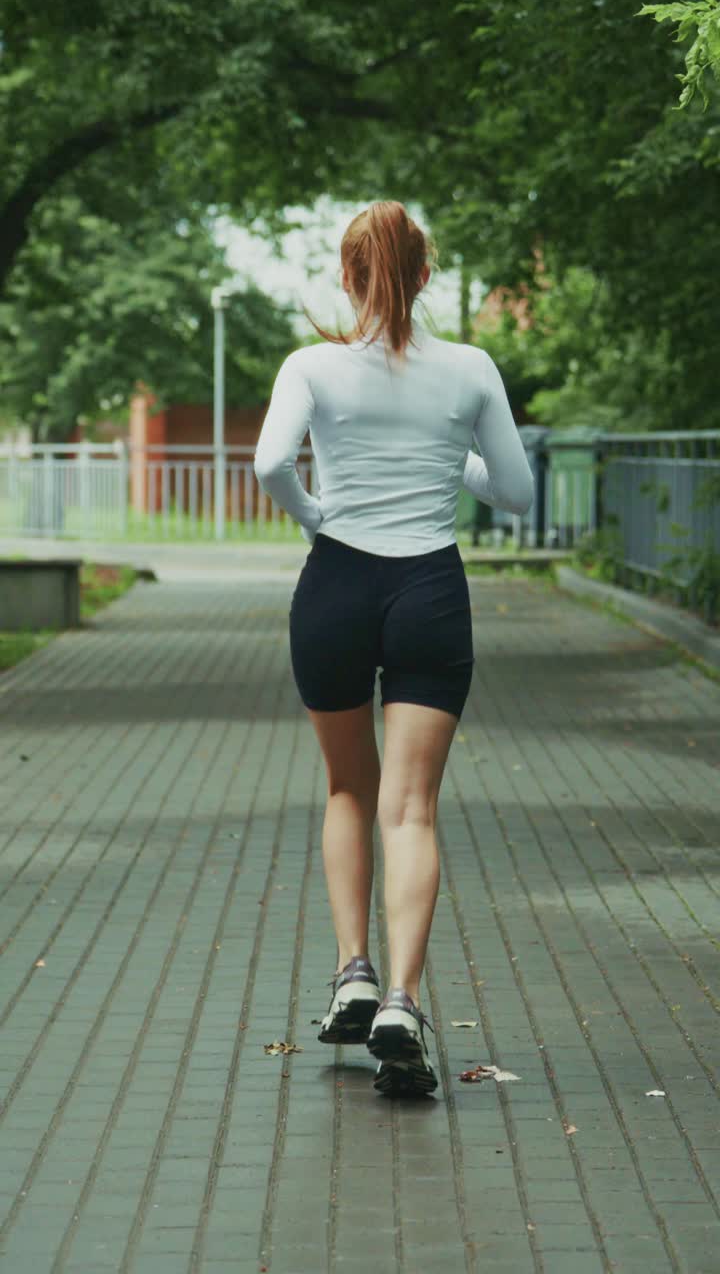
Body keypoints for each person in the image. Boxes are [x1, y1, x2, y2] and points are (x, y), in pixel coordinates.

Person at [253, 200, 534, 1097]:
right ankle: (404, 1003)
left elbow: (268, 465)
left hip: (335, 585)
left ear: (348, 276)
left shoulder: (313, 366)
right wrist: (453, 458)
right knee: (409, 807)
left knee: (348, 787)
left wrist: (318, 517)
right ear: (423, 275)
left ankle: (354, 973)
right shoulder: (472, 369)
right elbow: (516, 494)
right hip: (429, 593)